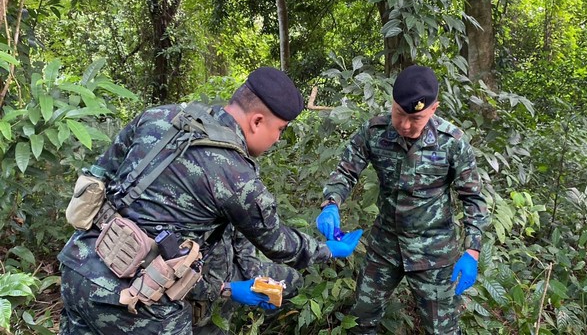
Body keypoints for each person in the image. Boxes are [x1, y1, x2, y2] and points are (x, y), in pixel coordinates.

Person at [58, 67, 363, 334]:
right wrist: (327, 249)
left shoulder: (161, 116)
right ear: (257, 121)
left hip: (79, 265)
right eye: (280, 130)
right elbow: (280, 245)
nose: (278, 140)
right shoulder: (236, 176)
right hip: (137, 298)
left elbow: (98, 175)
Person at [315, 65, 491, 334]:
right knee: (360, 321)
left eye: (415, 118)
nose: (406, 126)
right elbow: (345, 172)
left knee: (442, 330)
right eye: (399, 115)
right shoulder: (374, 132)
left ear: (433, 109)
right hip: (385, 246)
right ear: (392, 103)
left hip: (433, 253)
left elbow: (473, 198)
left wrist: (472, 251)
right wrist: (331, 204)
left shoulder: (452, 142)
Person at [190, 225, 303, 334]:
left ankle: (252, 321)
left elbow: (242, 240)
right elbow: (176, 279)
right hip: (192, 294)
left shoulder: (228, 206)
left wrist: (256, 278)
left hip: (228, 274)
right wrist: (225, 289)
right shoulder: (179, 216)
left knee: (292, 281)